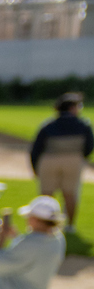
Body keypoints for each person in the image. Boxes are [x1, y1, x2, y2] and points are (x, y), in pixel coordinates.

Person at [29, 93, 90, 230]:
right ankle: (70, 226)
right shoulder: (83, 125)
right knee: (70, 194)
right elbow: (89, 147)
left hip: (49, 160)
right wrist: (79, 159)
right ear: (72, 108)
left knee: (46, 195)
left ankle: (43, 226)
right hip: (73, 161)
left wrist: (36, 167)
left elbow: (36, 149)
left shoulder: (48, 125)